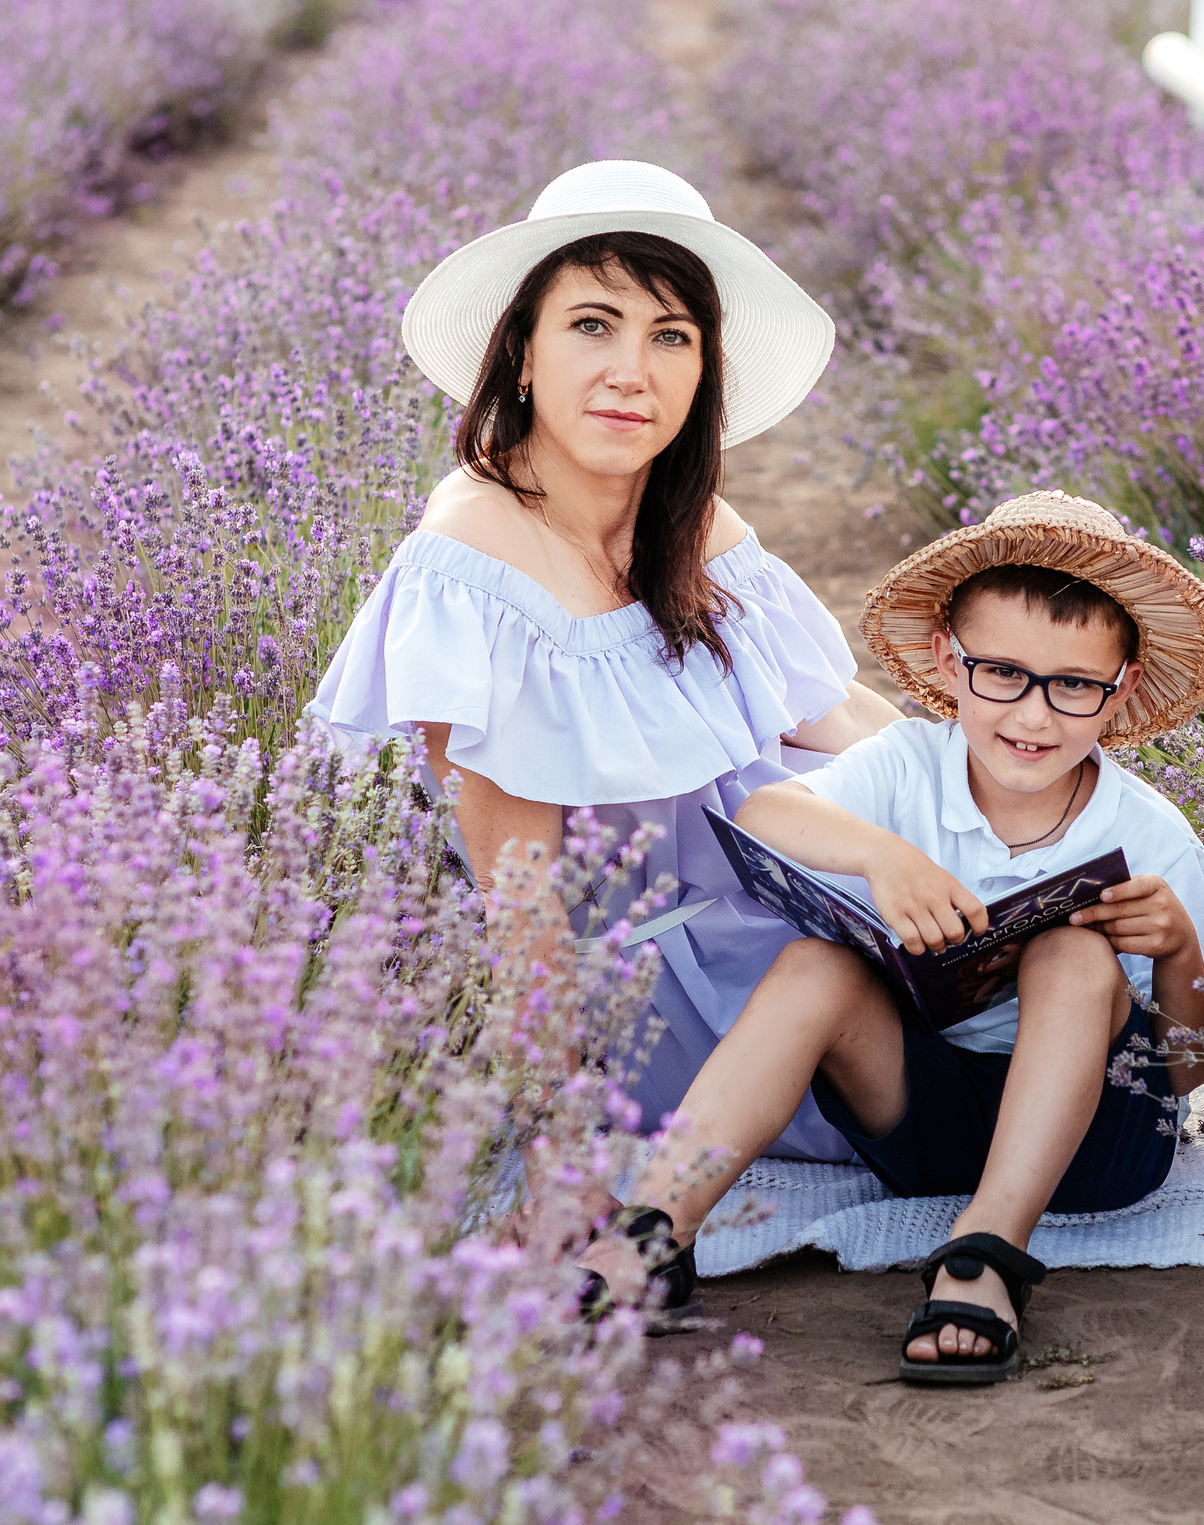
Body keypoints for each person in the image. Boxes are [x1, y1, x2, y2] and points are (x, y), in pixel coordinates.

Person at [307, 159, 904, 1163]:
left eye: (671, 336)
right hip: (659, 984)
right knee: (984, 1074)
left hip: (773, 893)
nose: (633, 371)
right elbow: (523, 905)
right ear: (522, 353)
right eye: (593, 324)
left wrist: (996, 790)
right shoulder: (475, 565)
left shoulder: (686, 518)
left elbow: (828, 712)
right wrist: (560, 1154)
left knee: (1054, 953)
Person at [578, 491, 1204, 1385]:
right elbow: (767, 813)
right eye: (1000, 672)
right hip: (926, 1123)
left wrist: (1176, 951)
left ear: (1118, 690)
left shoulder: (1153, 835)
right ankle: (657, 1230)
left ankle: (987, 1251)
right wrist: (880, 855)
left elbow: (1191, 1071)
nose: (1034, 715)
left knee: (1073, 950)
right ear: (947, 660)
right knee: (817, 964)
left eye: (1073, 685)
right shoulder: (909, 766)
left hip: (1097, 1146)